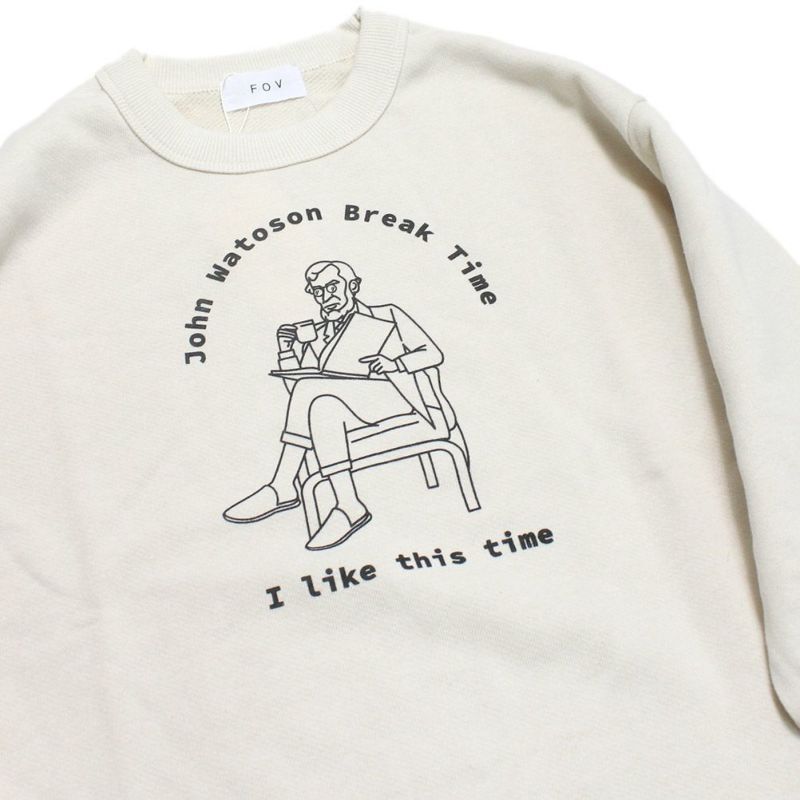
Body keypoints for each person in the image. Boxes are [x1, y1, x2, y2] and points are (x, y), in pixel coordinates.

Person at [222, 259, 450, 550]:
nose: (325, 297)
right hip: (351, 409)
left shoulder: (387, 315)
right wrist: (286, 351)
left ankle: (282, 487)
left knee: (313, 393)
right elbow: (298, 393)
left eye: (332, 287)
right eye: (318, 291)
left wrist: (395, 363)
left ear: (353, 286)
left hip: (404, 401)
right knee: (321, 407)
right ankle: (348, 505)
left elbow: (433, 353)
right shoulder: (316, 334)